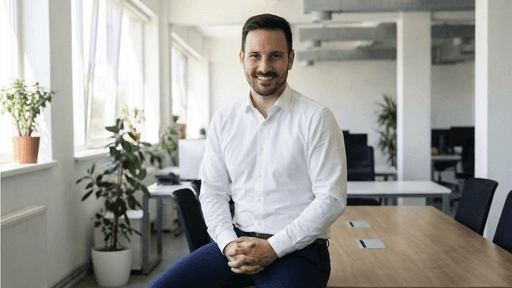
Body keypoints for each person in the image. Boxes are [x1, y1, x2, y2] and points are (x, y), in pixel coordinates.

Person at [147, 13, 347, 288]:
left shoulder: (317, 118)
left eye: (275, 56)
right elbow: (213, 192)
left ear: (290, 58)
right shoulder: (224, 120)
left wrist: (273, 247)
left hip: (299, 252)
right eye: (255, 56)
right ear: (242, 58)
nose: (264, 67)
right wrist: (228, 243)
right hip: (237, 244)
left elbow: (331, 199)